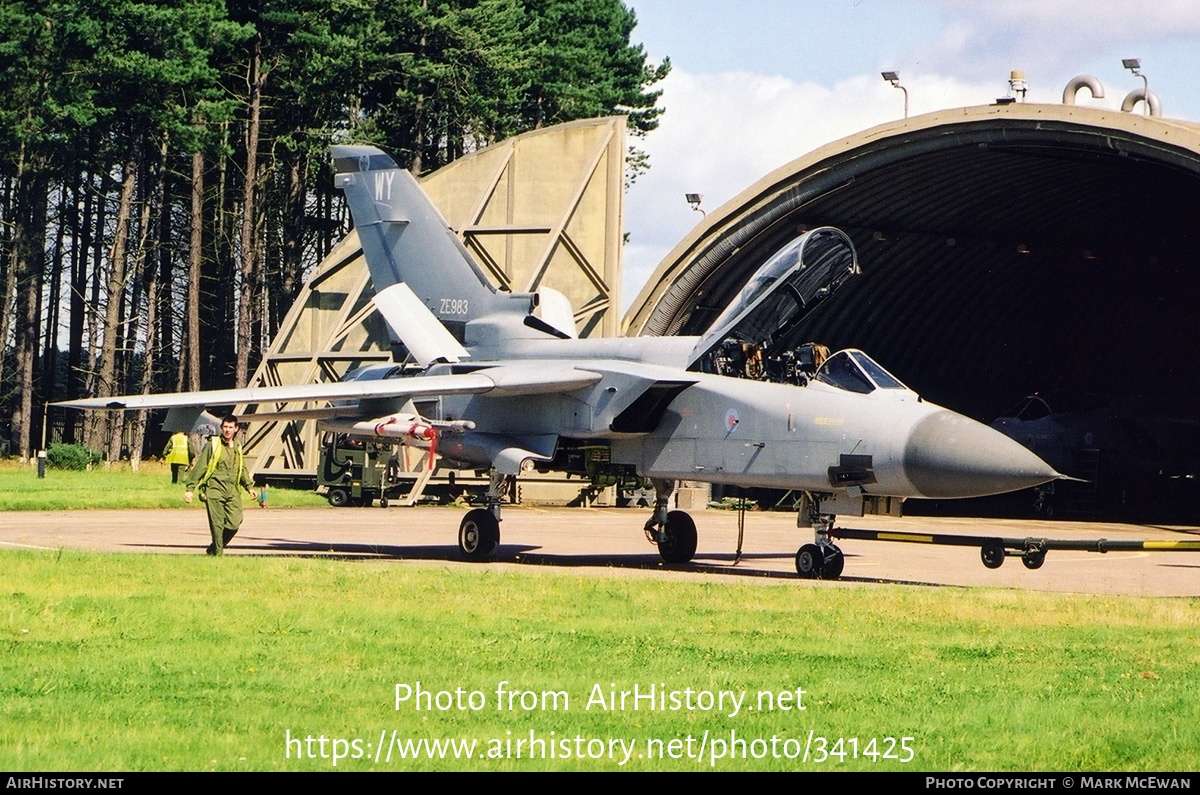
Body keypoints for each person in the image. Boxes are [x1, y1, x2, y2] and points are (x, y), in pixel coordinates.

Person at [184, 414, 258, 556]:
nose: (227, 430)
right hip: (215, 488)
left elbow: (241, 468)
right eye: (225, 427)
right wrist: (190, 489)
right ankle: (217, 555)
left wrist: (249, 487)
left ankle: (213, 548)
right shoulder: (213, 444)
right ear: (221, 428)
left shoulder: (237, 447)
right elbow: (201, 466)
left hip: (232, 490)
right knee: (217, 525)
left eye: (230, 427)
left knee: (234, 522)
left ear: (236, 429)